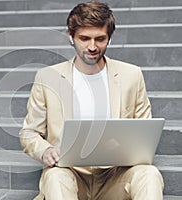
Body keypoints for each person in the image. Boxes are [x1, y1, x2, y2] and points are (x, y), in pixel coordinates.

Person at [19, 1, 164, 200]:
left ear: (110, 38)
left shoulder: (132, 75)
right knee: (55, 177)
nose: (92, 47)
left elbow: (145, 131)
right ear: (71, 36)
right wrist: (45, 151)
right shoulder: (48, 78)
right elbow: (29, 133)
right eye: (84, 38)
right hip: (69, 174)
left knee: (149, 174)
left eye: (100, 39)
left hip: (115, 176)